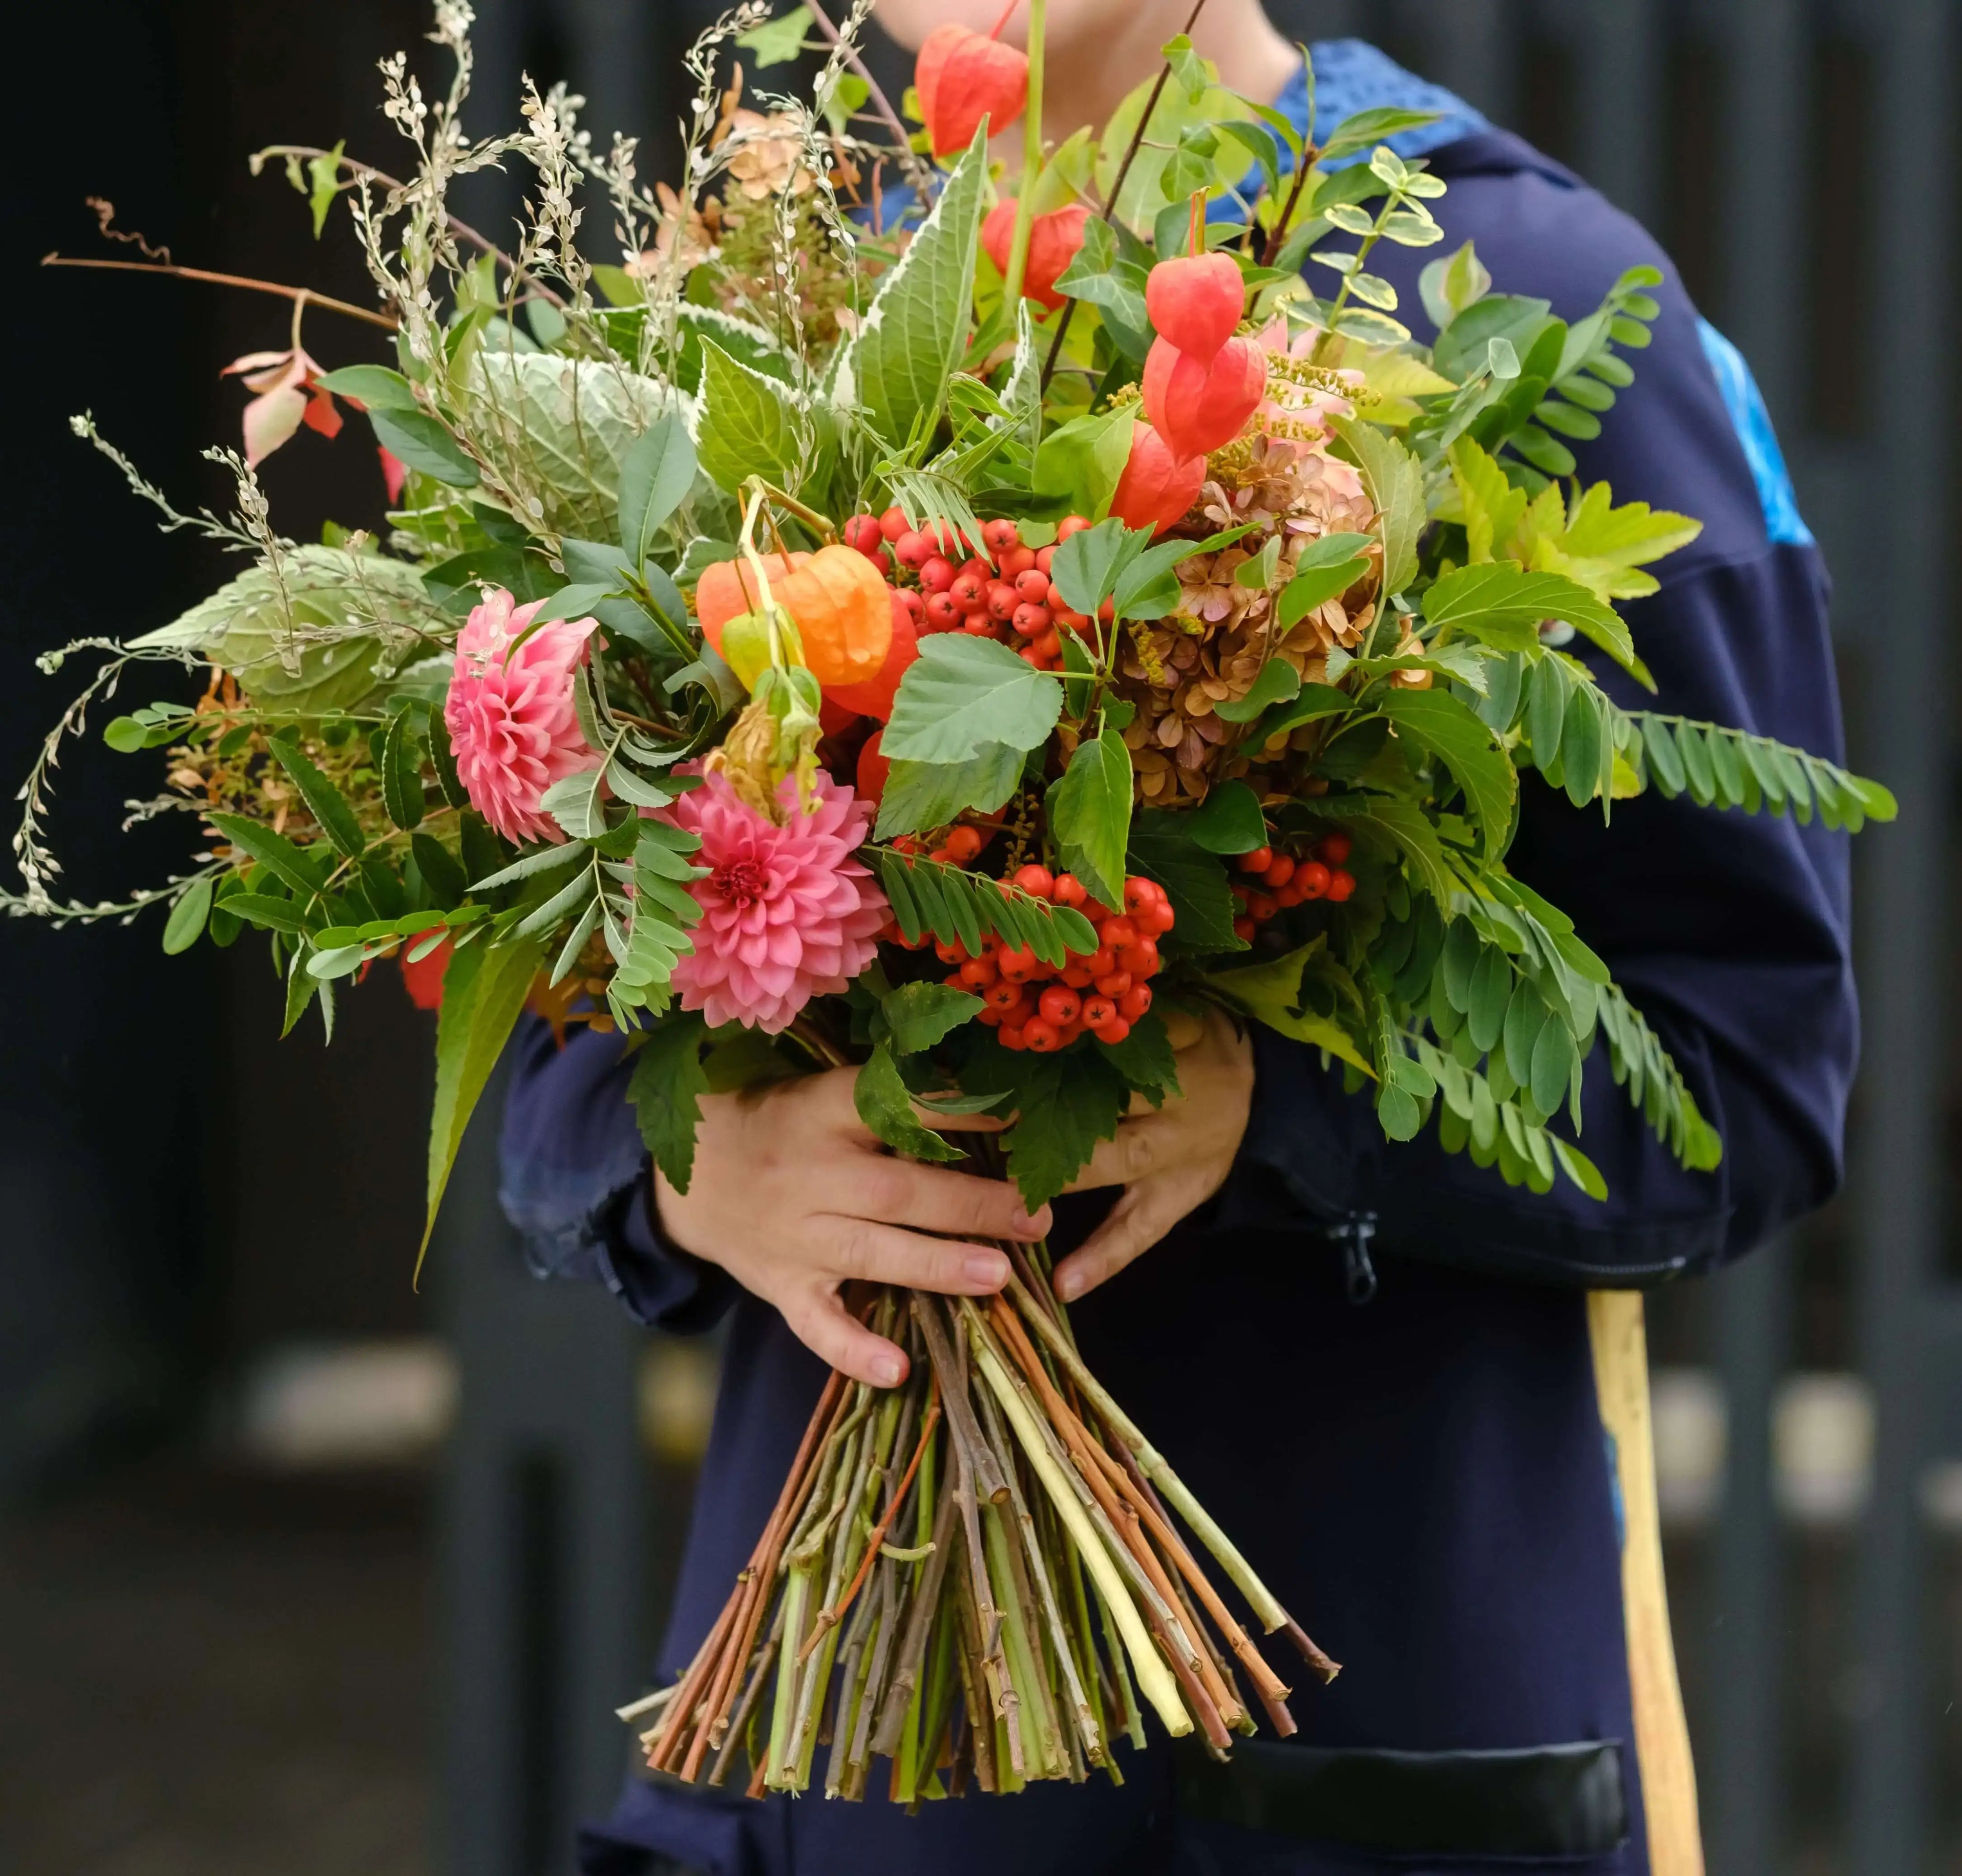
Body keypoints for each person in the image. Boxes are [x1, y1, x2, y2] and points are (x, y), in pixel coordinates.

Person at [499, 0, 1856, 1867]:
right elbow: (551, 1017)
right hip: (833, 1779)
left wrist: (1276, 1109)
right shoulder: (754, 313)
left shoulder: (1527, 292)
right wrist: (684, 1168)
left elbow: (1748, 1078)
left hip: (1353, 1739)